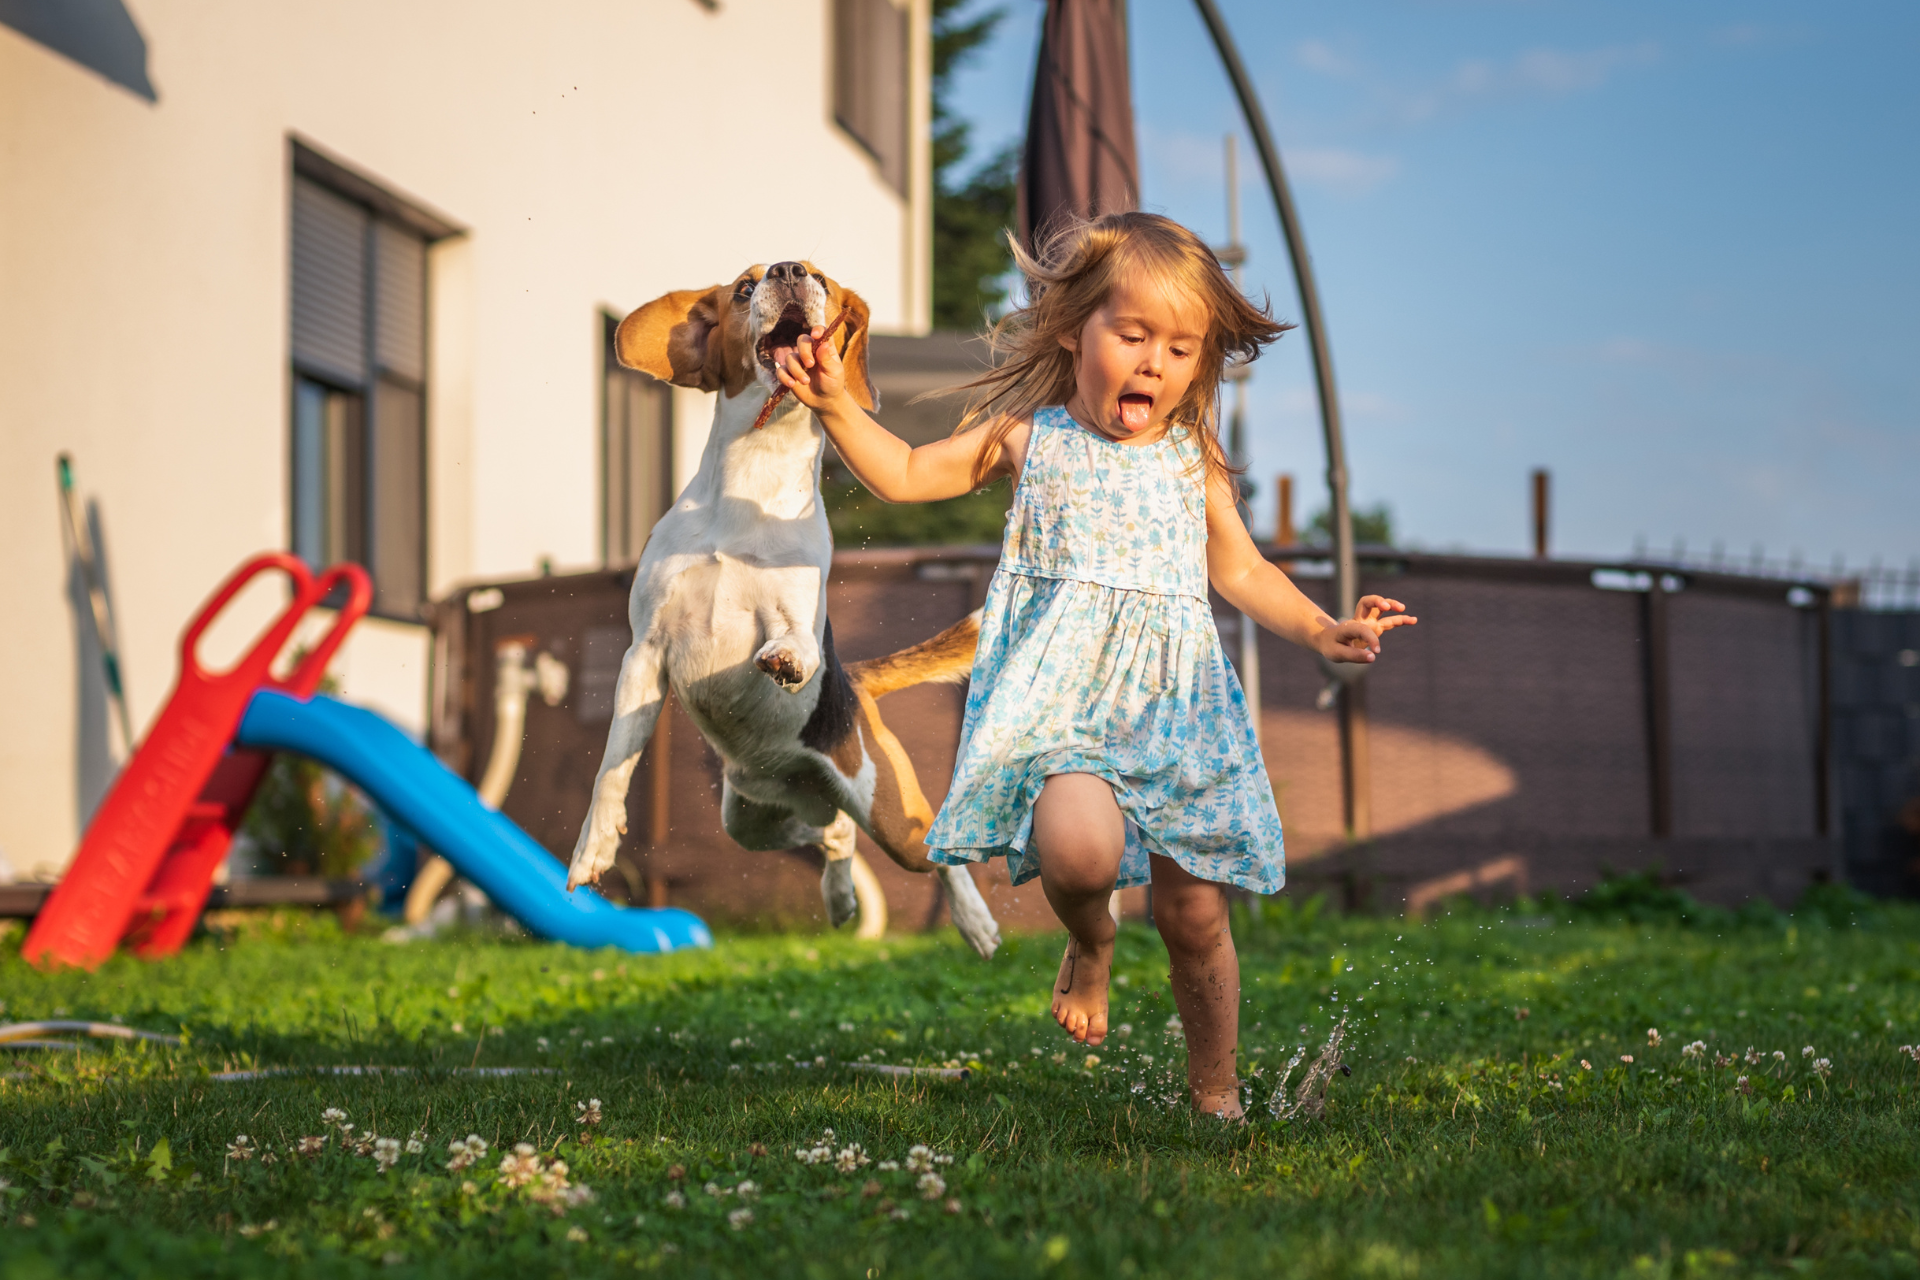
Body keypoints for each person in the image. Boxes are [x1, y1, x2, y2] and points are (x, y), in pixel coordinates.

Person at [776, 212, 1415, 1118]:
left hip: (1176, 710)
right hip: (1062, 709)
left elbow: (1239, 569)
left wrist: (1321, 629)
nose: (1156, 362)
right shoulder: (1026, 441)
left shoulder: (1194, 462)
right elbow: (910, 474)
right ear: (1076, 329)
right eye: (1133, 335)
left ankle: (1215, 1091)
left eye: (1182, 348)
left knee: (1196, 917)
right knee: (1079, 857)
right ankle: (1093, 941)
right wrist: (838, 403)